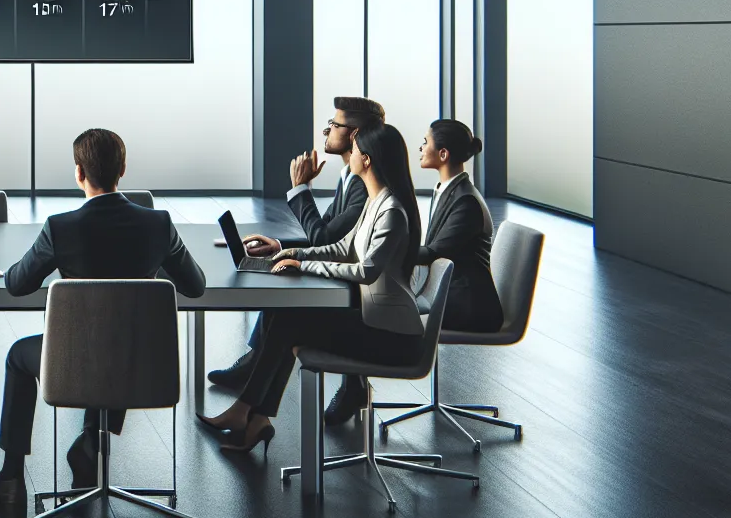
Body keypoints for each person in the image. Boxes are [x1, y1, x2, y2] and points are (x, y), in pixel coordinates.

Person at [0, 129, 206, 505]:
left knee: (20, 355)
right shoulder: (159, 225)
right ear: (123, 169)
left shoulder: (61, 228)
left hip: (76, 363)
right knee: (117, 337)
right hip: (142, 363)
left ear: (79, 173)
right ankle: (89, 443)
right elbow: (195, 286)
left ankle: (11, 477)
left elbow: (16, 284)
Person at [196, 123, 425, 453]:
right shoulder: (377, 203)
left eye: (356, 149)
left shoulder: (391, 211)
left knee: (291, 322)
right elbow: (342, 248)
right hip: (376, 323)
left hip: (394, 337)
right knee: (288, 316)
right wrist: (291, 252)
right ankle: (254, 416)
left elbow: (365, 269)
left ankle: (248, 412)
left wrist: (304, 266)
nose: (351, 155)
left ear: (368, 160)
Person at [207, 95, 386, 427]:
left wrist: (300, 188)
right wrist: (281, 245)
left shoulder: (365, 185)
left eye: (333, 125)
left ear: (355, 134)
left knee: (287, 296)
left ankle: (257, 386)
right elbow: (333, 235)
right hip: (347, 280)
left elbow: (327, 241)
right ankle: (256, 391)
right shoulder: (350, 176)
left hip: (358, 298)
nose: (326, 131)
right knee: (282, 274)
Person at [416, 119, 503, 333]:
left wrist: (390, 249)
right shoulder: (449, 190)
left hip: (467, 306)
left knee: (384, 311)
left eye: (425, 142)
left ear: (443, 154)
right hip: (448, 293)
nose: (421, 147)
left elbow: (435, 252)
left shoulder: (466, 201)